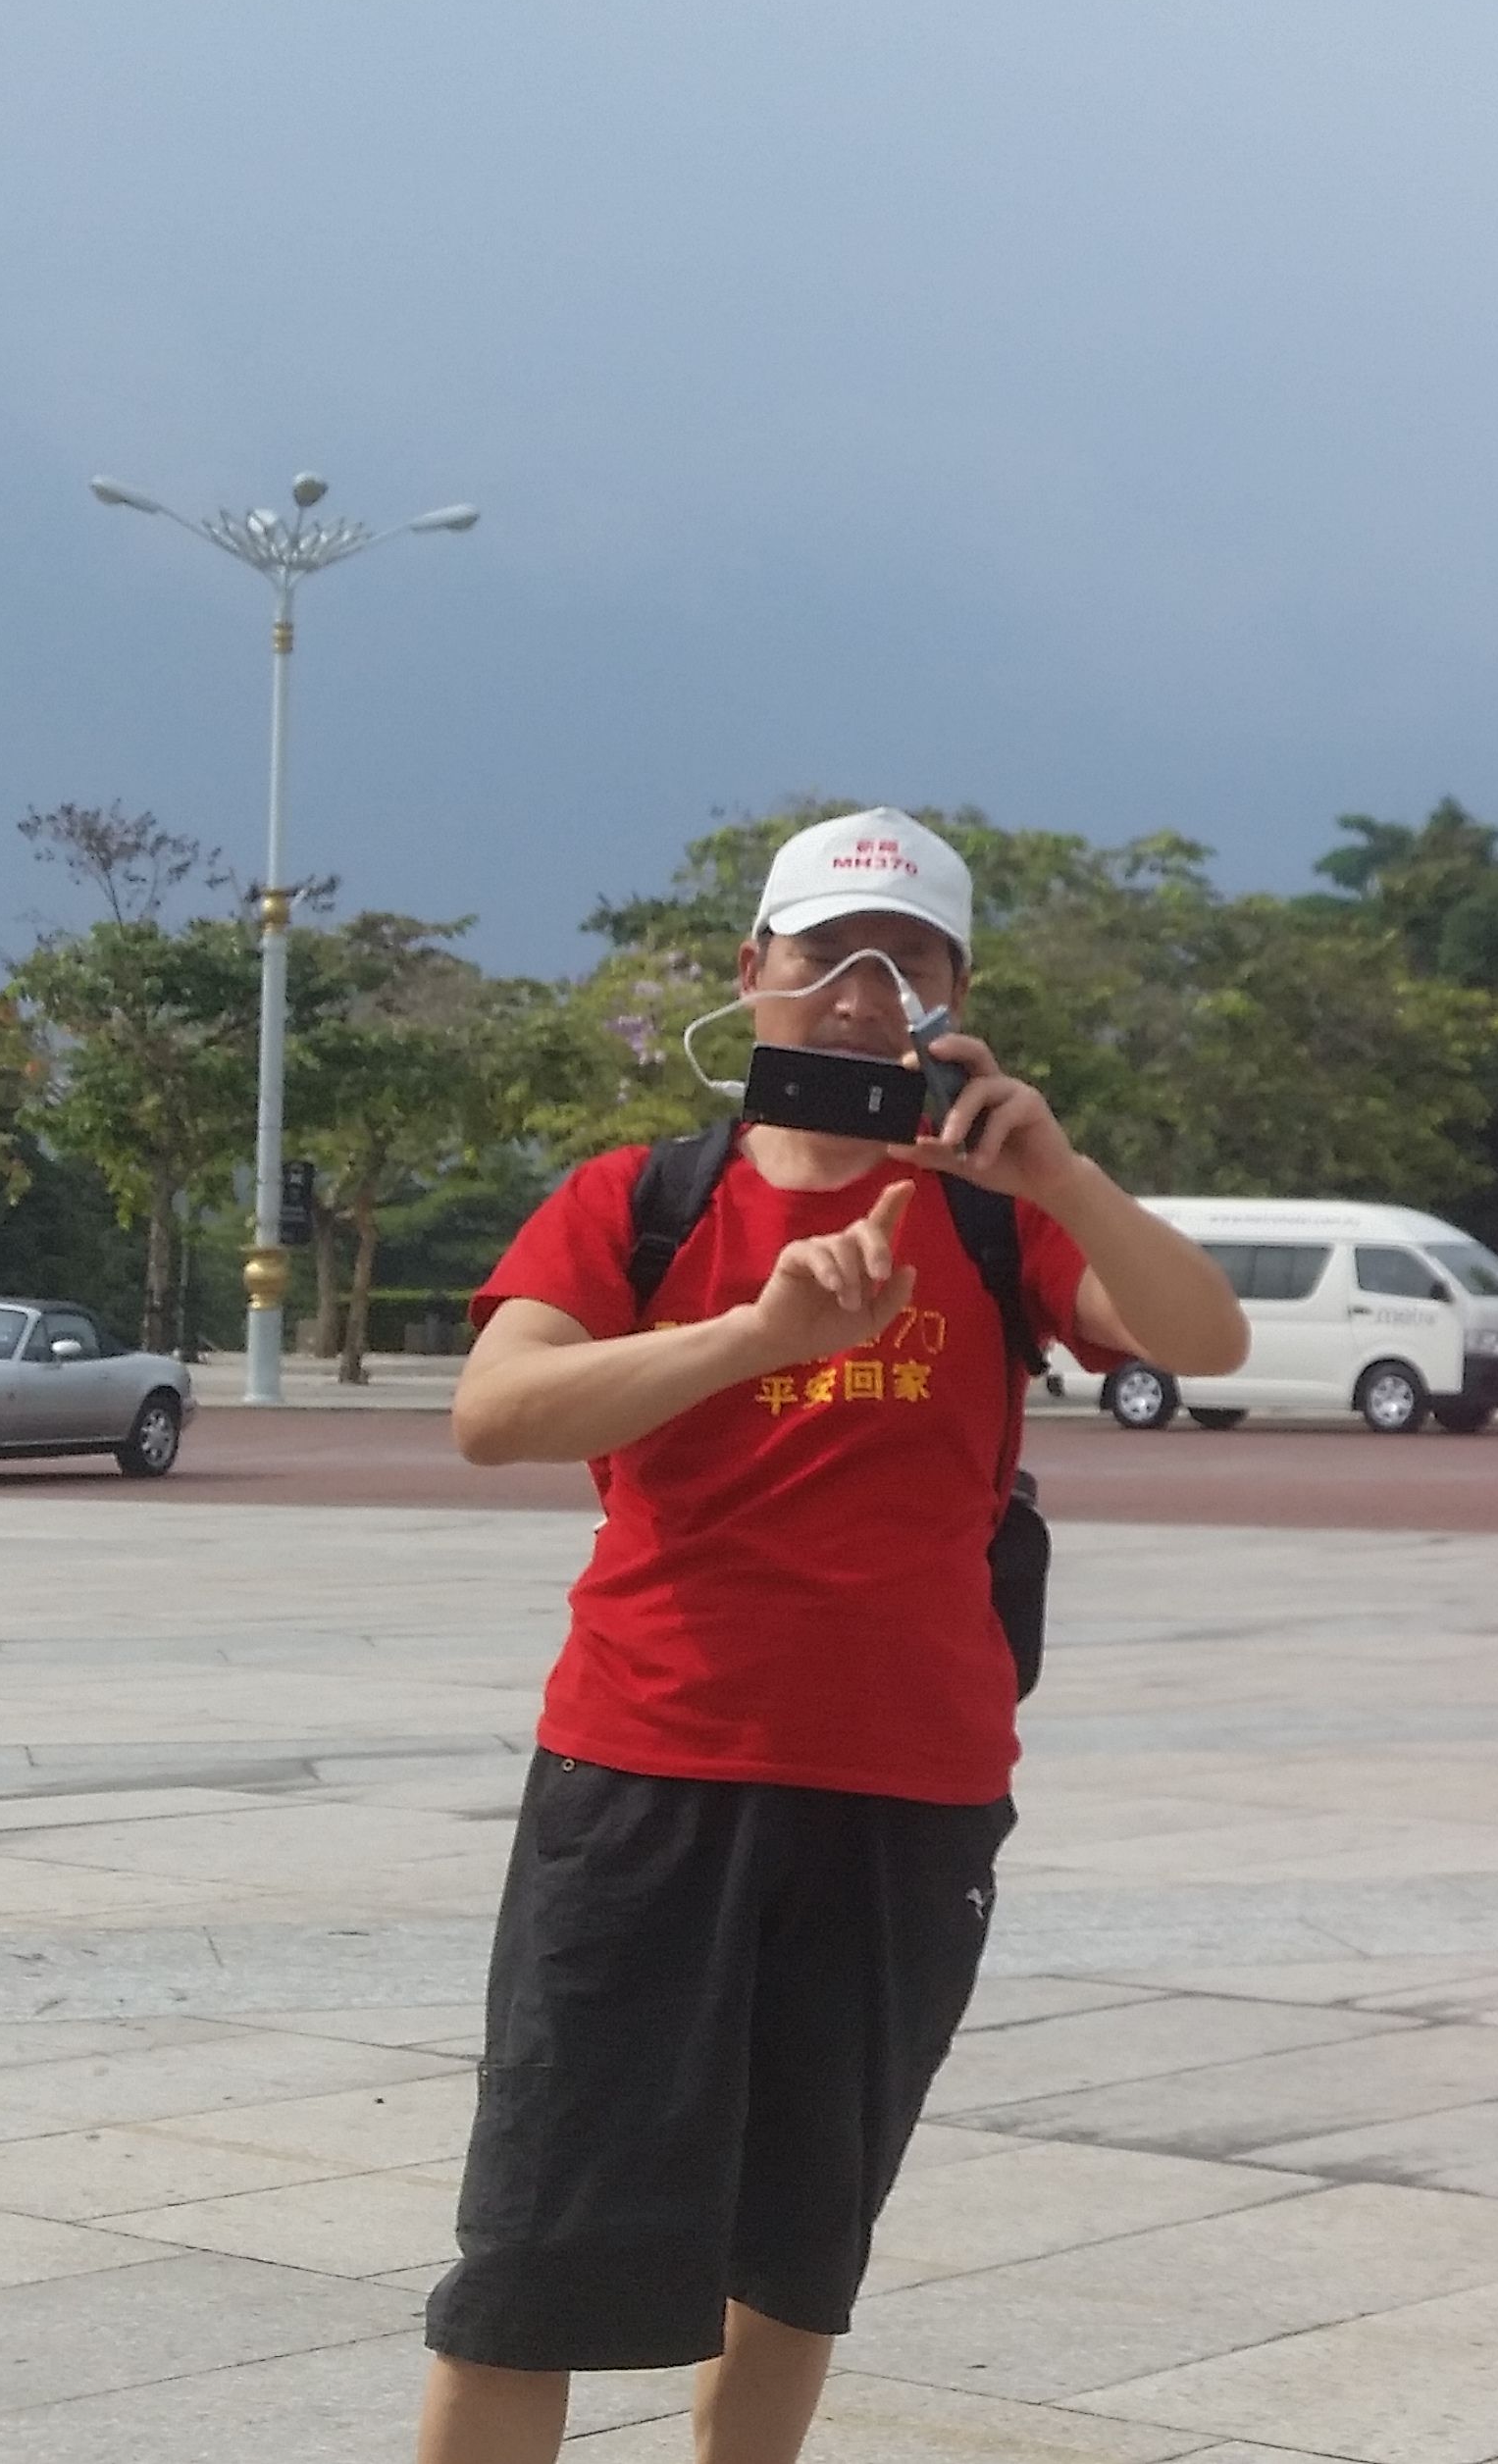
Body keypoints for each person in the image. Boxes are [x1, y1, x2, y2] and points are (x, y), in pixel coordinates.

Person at [416, 806, 1248, 2464]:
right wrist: (752, 1335)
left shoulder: (1003, 1220)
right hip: (646, 1772)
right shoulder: (639, 1202)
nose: (867, 994)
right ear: (755, 975)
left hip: (908, 1790)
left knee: (801, 2249)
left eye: (911, 963)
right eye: (828, 954)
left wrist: (1058, 1168)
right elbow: (495, 1412)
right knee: (538, 2243)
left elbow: (1202, 1338)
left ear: (953, 1000)